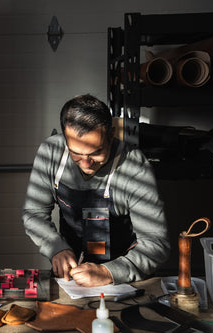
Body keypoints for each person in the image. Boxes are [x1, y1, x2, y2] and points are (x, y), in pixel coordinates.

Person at [22, 94, 170, 286]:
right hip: (71, 275)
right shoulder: (50, 154)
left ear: (111, 134)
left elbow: (156, 243)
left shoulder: (134, 167)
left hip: (123, 276)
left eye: (96, 152)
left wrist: (109, 272)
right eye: (76, 153)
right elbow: (34, 213)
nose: (86, 163)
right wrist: (56, 247)